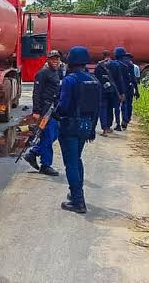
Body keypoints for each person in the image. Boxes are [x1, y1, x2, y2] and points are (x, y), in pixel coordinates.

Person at [55, 46, 101, 214]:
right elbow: (97, 107)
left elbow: (63, 106)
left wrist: (55, 114)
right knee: (77, 159)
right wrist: (92, 128)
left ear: (71, 61)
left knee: (71, 163)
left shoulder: (70, 80)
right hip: (86, 126)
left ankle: (78, 202)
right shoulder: (94, 80)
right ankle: (75, 195)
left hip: (70, 126)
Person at [23, 50, 63, 176]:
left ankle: (33, 153)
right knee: (48, 136)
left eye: (57, 59)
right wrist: (36, 111)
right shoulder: (43, 73)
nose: (55, 61)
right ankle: (46, 165)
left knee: (55, 134)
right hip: (45, 110)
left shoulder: (57, 72)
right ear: (48, 60)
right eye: (53, 59)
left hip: (54, 109)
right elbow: (37, 93)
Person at [94, 50, 125, 136]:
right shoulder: (116, 65)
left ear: (102, 56)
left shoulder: (99, 66)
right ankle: (108, 126)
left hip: (103, 90)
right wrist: (122, 93)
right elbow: (119, 80)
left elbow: (96, 79)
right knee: (110, 108)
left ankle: (104, 129)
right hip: (113, 91)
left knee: (103, 108)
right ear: (110, 56)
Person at [119, 51, 140, 128]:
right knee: (129, 104)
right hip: (130, 87)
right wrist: (137, 90)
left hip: (122, 87)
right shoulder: (131, 65)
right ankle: (128, 118)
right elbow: (134, 78)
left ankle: (124, 120)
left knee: (124, 104)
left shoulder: (120, 64)